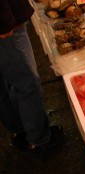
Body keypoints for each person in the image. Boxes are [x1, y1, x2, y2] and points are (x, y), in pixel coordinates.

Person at [0, 0, 64, 155]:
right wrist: (4, 23)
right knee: (27, 84)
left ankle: (19, 129)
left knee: (4, 85)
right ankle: (40, 140)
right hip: (6, 26)